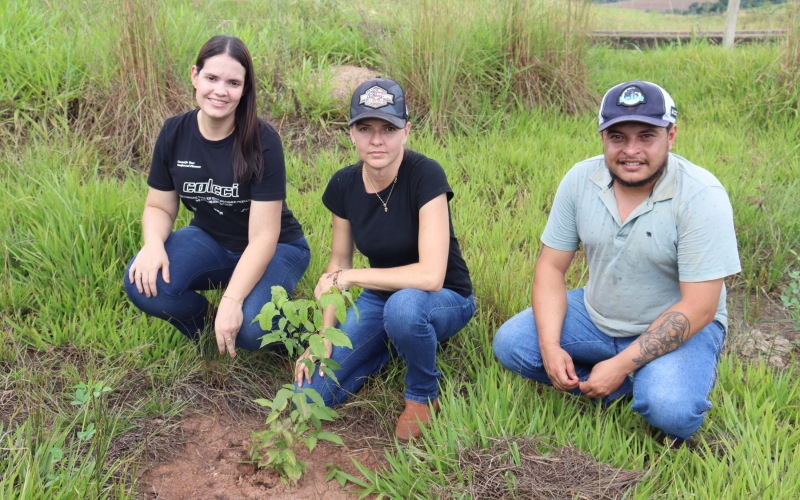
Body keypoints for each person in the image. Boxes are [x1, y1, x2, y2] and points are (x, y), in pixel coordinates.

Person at [493, 81, 740, 447]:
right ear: (602, 138)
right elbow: (550, 268)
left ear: (671, 136)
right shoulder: (581, 179)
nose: (631, 151)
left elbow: (700, 306)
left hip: (681, 323)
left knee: (671, 411)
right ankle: (623, 385)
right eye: (617, 137)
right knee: (513, 344)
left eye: (646, 136)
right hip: (598, 313)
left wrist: (623, 362)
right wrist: (549, 346)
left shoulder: (702, 196)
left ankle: (632, 381)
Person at [293, 78, 475, 441]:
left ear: (406, 131)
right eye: (365, 128)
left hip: (445, 298)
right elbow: (337, 262)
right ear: (351, 134)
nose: (377, 140)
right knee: (308, 397)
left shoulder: (425, 175)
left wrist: (353, 277)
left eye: (388, 128)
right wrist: (324, 334)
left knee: (405, 310)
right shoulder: (343, 185)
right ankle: (390, 346)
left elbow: (431, 276)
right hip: (380, 297)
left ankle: (423, 393)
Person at [124, 35, 310, 357]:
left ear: (245, 88)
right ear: (195, 76)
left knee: (252, 326)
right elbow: (158, 206)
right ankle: (211, 334)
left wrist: (233, 300)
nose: (220, 91)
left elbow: (265, 236)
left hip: (277, 248)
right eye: (211, 78)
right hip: (210, 239)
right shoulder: (174, 132)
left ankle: (304, 337)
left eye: (233, 82)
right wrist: (153, 244)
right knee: (142, 281)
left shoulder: (263, 141)